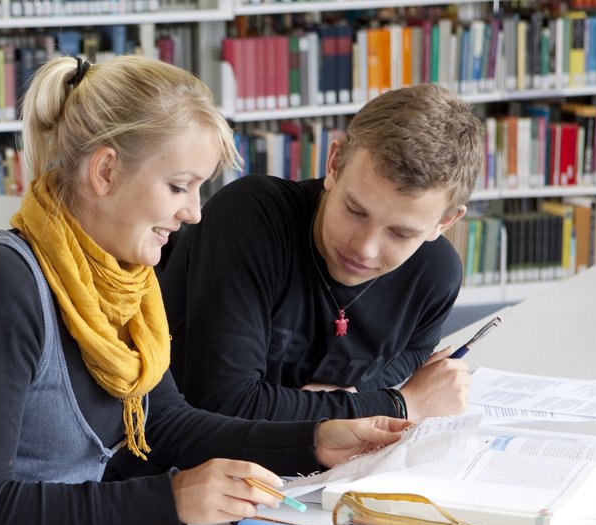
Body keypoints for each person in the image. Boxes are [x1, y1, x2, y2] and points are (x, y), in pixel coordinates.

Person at [0, 55, 408, 525]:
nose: (195, 214)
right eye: (180, 186)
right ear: (106, 171)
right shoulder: (2, 288)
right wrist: (173, 496)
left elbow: (164, 422)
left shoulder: (125, 279)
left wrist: (312, 441)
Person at [159, 83, 484, 424]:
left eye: (401, 233)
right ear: (334, 163)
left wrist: (346, 398)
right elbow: (223, 402)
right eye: (355, 211)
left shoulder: (436, 273)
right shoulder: (250, 216)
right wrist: (398, 405)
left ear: (444, 222)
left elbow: (411, 352)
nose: (364, 248)